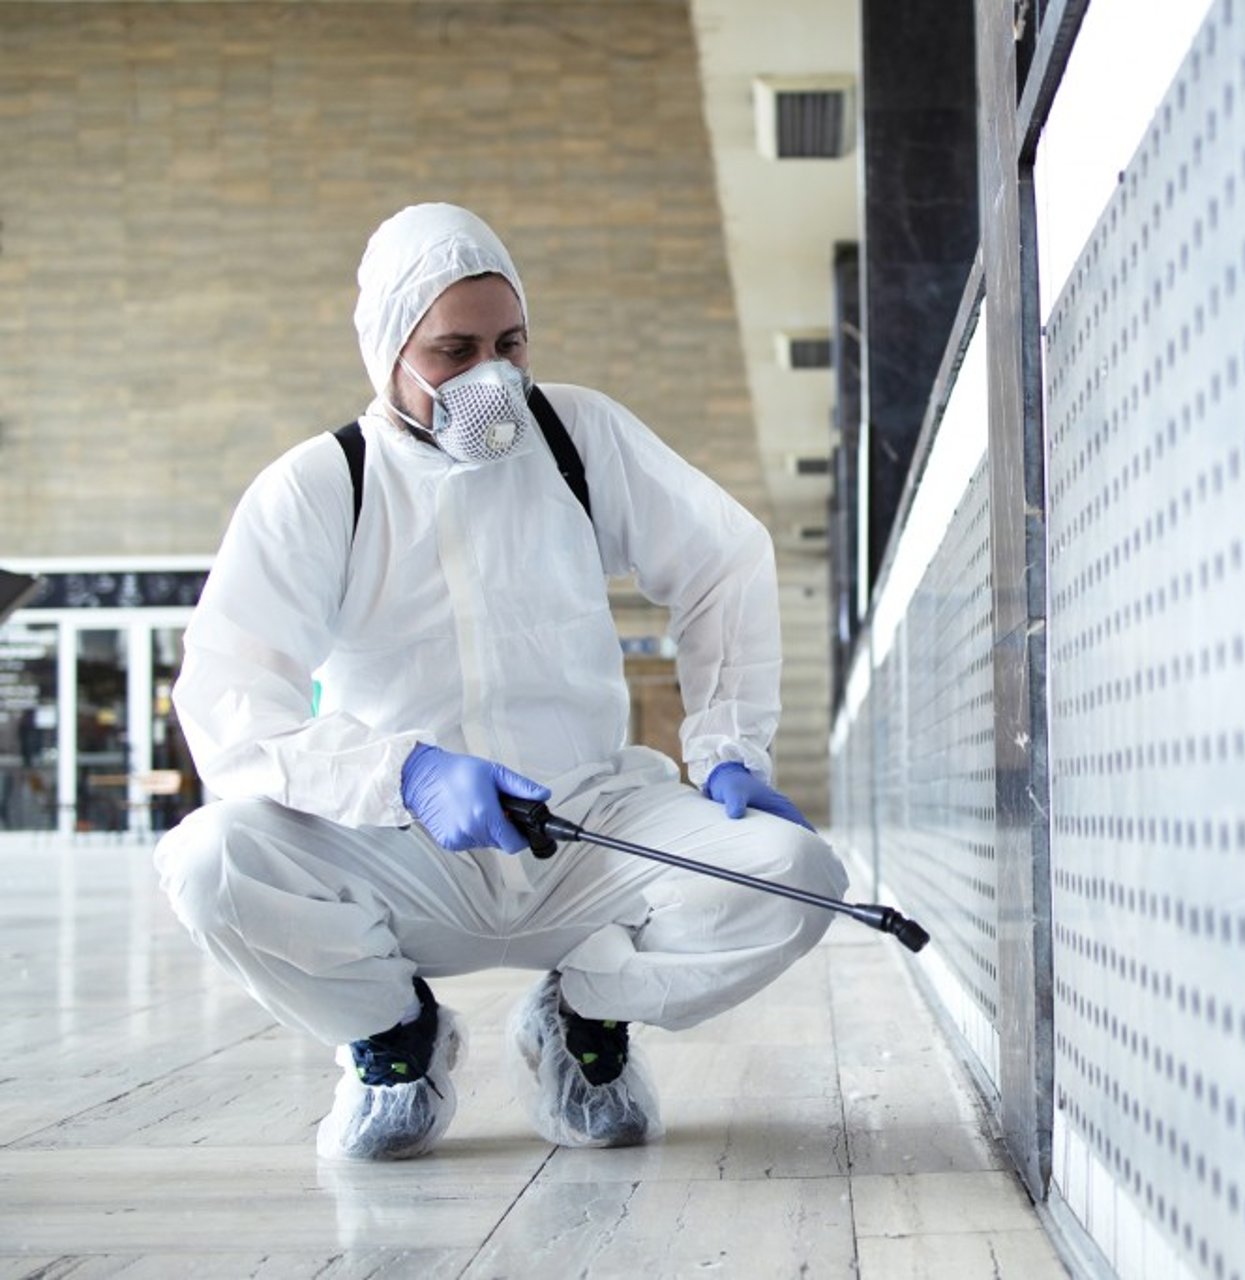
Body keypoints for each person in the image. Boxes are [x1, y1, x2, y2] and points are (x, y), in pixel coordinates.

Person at [153, 203, 847, 1161]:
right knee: (210, 862)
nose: (492, 377)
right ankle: (395, 1038)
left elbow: (724, 559)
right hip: (402, 849)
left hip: (586, 825)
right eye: (454, 351)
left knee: (797, 876)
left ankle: (582, 1017)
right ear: (388, 351)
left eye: (510, 344)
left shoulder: (578, 436)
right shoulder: (322, 487)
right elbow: (230, 701)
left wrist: (727, 746)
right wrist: (403, 775)